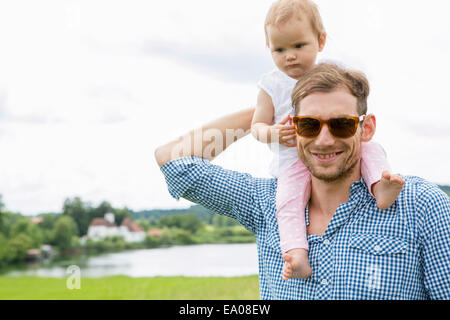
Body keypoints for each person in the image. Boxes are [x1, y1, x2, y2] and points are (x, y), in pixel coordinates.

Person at [155, 62, 450, 300]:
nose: (323, 140)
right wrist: (261, 116)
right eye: (308, 124)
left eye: (342, 124)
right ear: (293, 127)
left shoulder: (423, 206)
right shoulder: (266, 202)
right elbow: (172, 158)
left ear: (367, 128)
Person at [251, 0, 404, 280]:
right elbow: (256, 127)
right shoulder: (270, 85)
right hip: (294, 162)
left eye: (298, 46)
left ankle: (378, 185)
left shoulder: (331, 74)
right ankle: (296, 253)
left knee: (372, 149)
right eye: (279, 50)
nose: (290, 57)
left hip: (340, 159)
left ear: (321, 41)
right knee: (287, 201)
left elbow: (354, 111)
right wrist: (272, 132)